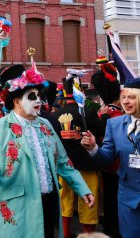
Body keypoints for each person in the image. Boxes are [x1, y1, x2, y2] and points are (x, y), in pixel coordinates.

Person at [0, 68, 95, 238]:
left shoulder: (46, 124)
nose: (38, 100)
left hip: (48, 204)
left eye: (39, 96)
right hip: (17, 208)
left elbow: (63, 162)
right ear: (16, 102)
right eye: (32, 96)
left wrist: (83, 189)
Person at [81, 78, 140, 238]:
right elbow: (106, 158)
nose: (126, 102)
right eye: (124, 97)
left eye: (132, 97)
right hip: (129, 199)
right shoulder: (114, 124)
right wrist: (94, 148)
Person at [52, 75, 105, 237]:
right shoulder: (88, 112)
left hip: (65, 168)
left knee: (65, 204)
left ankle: (65, 234)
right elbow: (103, 132)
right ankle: (88, 235)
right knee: (89, 204)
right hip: (87, 165)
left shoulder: (55, 115)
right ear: (80, 90)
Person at [91, 54, 123, 238]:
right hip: (113, 165)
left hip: (112, 166)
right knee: (113, 202)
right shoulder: (114, 116)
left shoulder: (107, 115)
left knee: (112, 202)